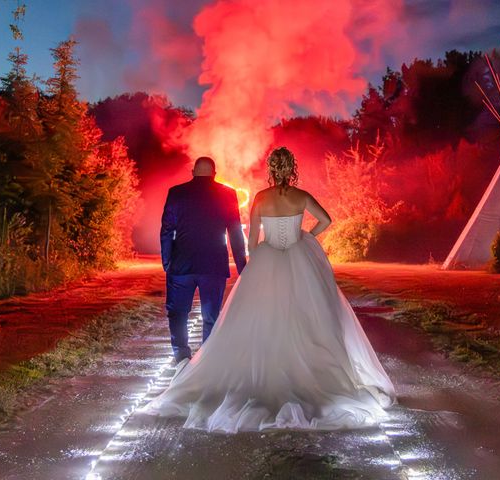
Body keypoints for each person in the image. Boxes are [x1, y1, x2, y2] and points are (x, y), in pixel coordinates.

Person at [148, 147, 395, 432]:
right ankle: (306, 372)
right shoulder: (301, 197)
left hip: (258, 259)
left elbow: (251, 240)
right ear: (292, 169)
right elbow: (326, 220)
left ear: (271, 169)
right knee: (306, 316)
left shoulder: (259, 198)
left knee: (256, 318)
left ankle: (216, 364)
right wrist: (304, 238)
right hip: (297, 259)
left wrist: (253, 264)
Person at [160, 156, 246, 365]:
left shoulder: (177, 193)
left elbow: (167, 230)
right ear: (214, 173)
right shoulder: (227, 194)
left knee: (178, 312)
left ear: (193, 172)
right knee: (211, 315)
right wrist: (242, 266)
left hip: (181, 265)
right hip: (213, 264)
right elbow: (235, 232)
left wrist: (167, 260)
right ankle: (207, 358)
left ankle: (181, 355)